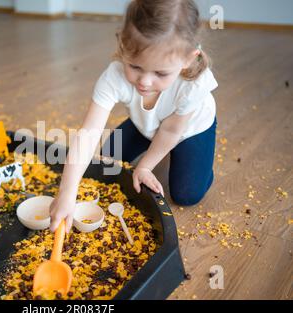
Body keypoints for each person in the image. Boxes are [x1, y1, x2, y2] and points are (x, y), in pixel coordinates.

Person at [50, 0, 218, 233]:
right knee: (108, 163)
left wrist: (146, 166)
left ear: (188, 59)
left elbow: (171, 131)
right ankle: (153, 144)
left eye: (160, 73)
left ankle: (199, 162)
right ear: (123, 45)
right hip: (147, 126)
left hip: (189, 130)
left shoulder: (194, 84)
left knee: (186, 194)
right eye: (136, 67)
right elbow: (88, 134)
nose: (145, 82)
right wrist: (67, 193)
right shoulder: (113, 76)